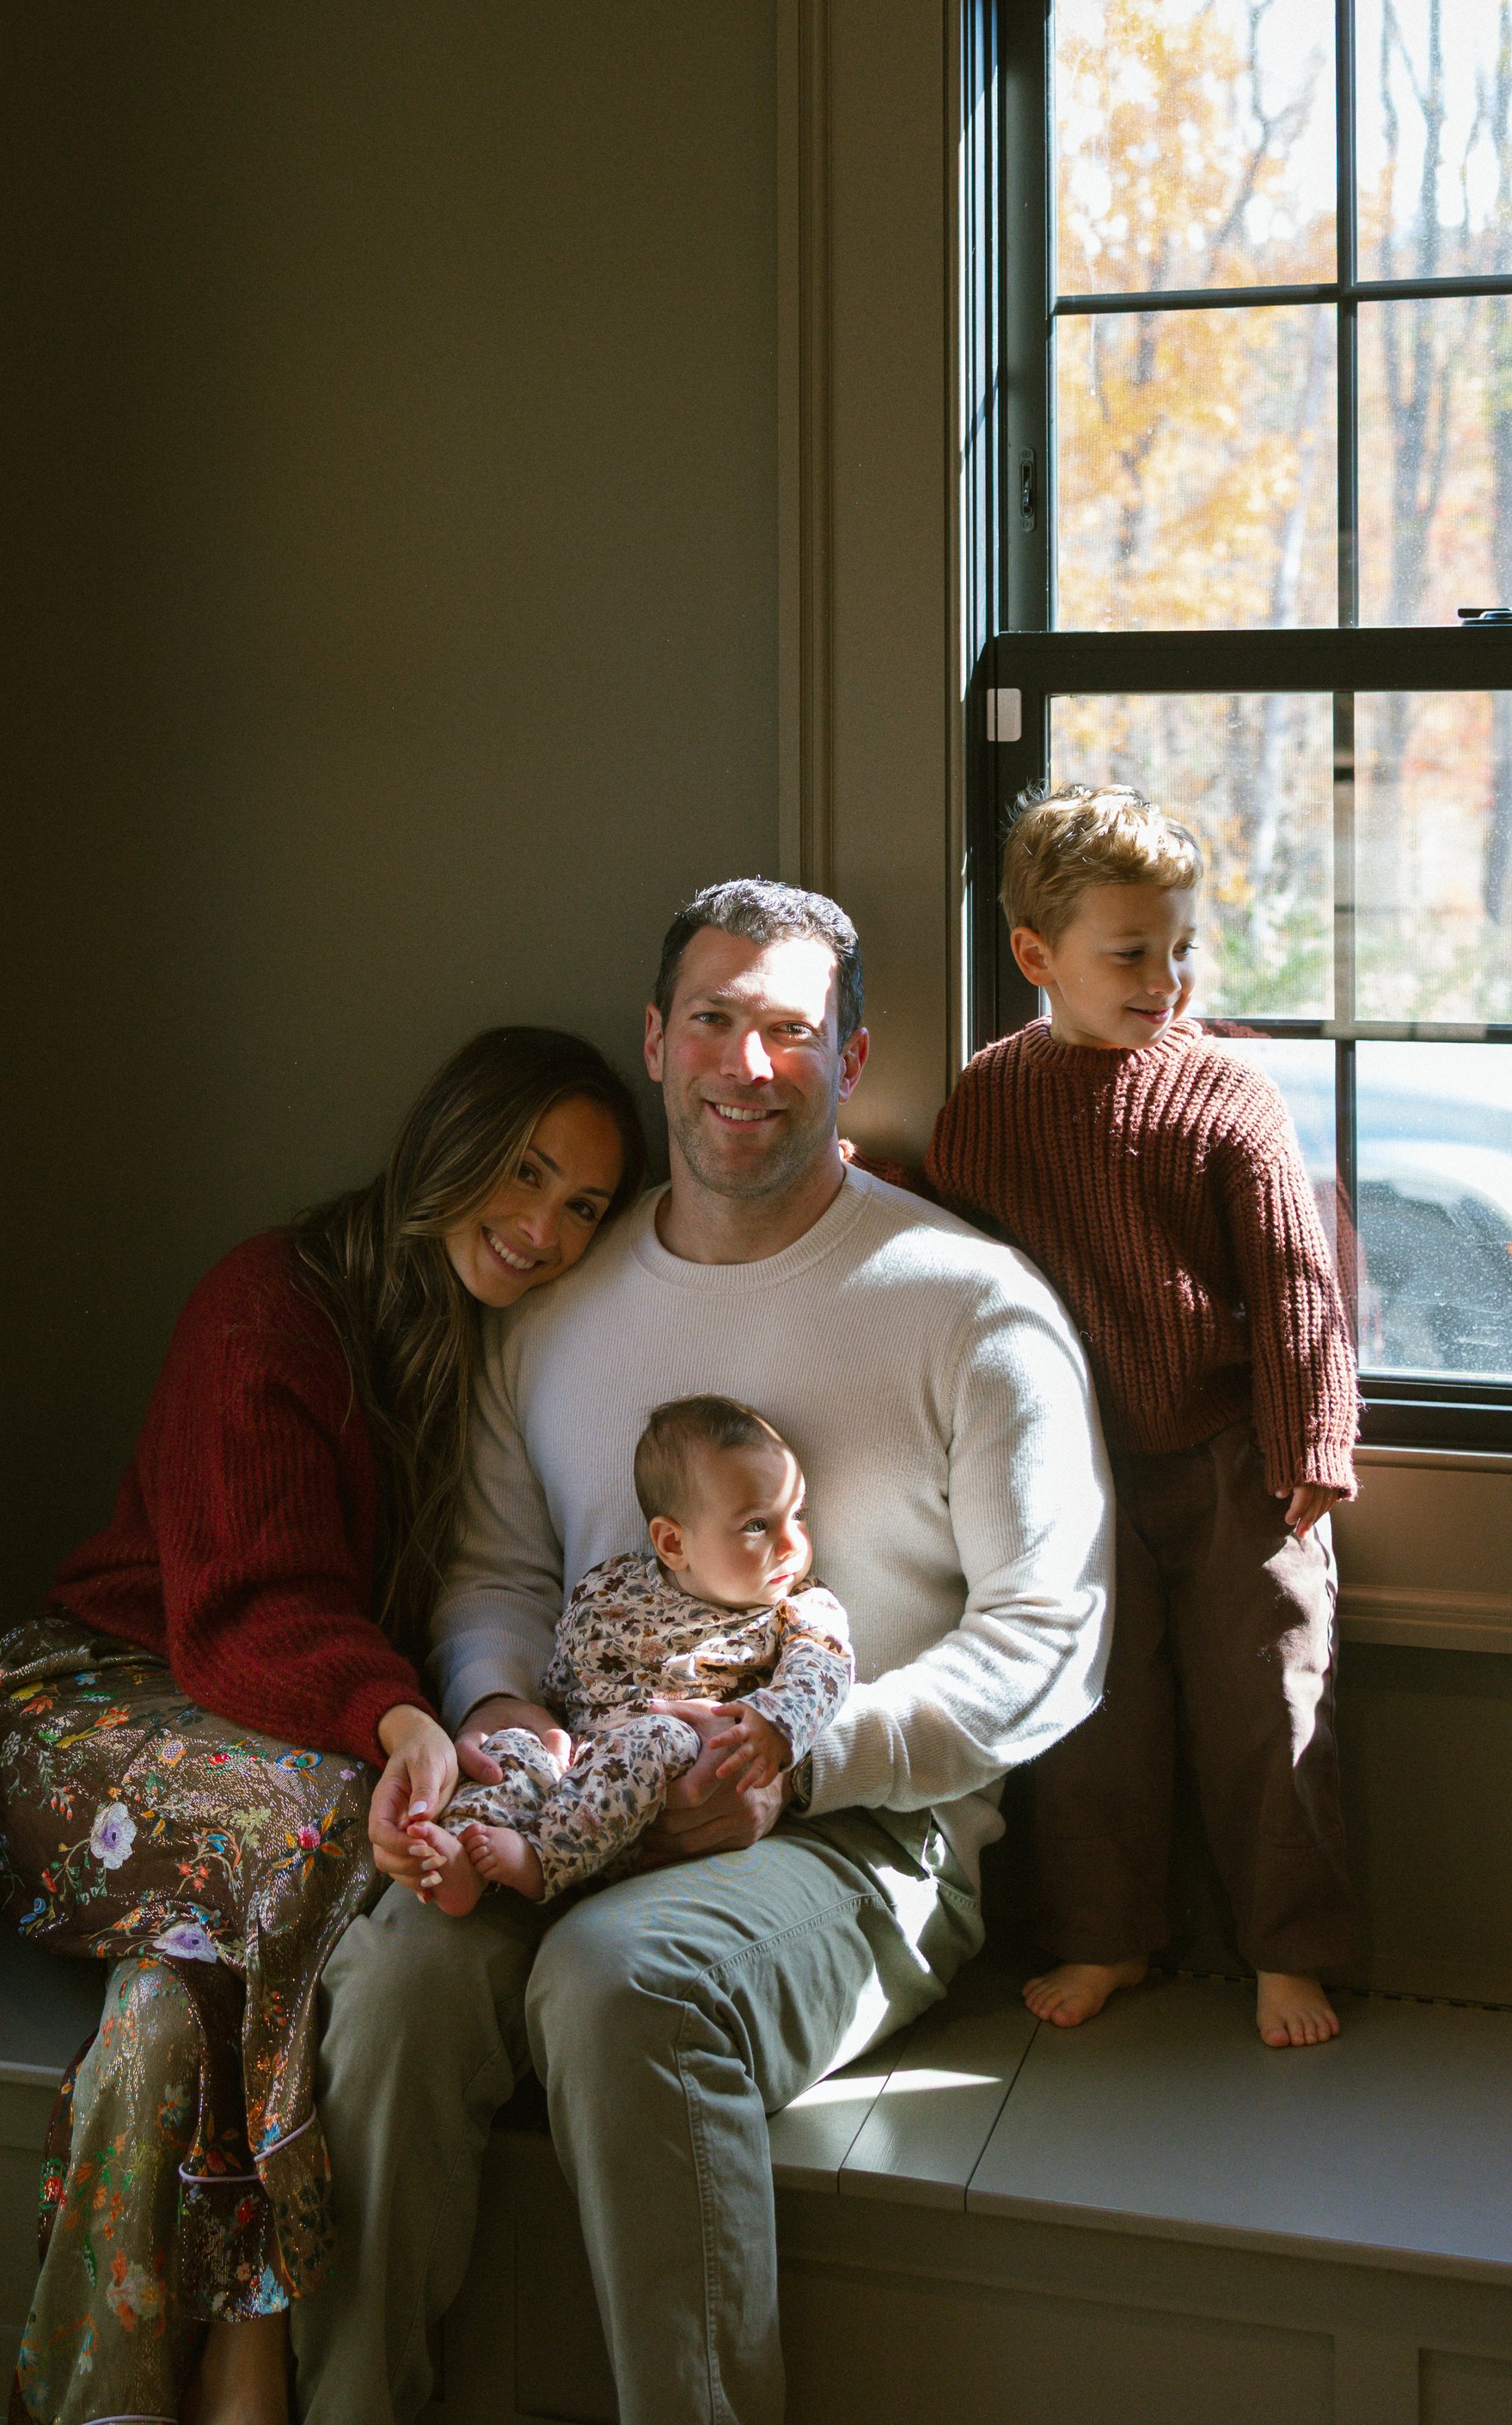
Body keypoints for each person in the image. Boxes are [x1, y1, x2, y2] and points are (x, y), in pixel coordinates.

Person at [291, 878, 1113, 2425]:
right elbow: (492, 1574)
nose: (747, 1061)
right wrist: (505, 1720)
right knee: (396, 1975)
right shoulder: (553, 1305)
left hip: (867, 1845)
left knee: (619, 1983)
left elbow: (1051, 1639)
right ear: (658, 1042)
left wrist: (801, 1761)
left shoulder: (967, 1307)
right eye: (717, 1020)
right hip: (568, 1793)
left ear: (849, 1060)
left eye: (790, 1030)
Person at [0, 1023, 648, 2425]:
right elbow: (247, 1609)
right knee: (341, 1821)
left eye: (582, 1206)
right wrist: (396, 1719)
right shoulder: (265, 1305)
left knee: (170, 2001)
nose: (540, 1230)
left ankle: (114, 2397)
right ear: (446, 1142)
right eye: (522, 1174)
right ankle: (256, 2333)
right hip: (87, 1710)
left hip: (271, 1769)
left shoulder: (499, 1349)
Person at [925, 784, 1359, 2052]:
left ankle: (1289, 1946)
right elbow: (952, 1260)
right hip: (1072, 1465)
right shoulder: (992, 1098)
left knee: (1271, 1693)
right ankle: (1106, 1931)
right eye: (1130, 953)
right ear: (1035, 956)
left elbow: (1294, 1277)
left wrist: (1311, 1441)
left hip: (1234, 1455)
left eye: (1179, 947)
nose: (1165, 977)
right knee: (1093, 1711)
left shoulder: (1226, 1092)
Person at [408, 1395, 854, 1910]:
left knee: (654, 1738)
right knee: (513, 1748)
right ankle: (461, 1849)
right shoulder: (614, 1586)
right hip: (581, 1754)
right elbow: (571, 1662)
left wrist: (777, 1724)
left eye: (798, 1515)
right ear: (672, 1544)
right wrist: (545, 1729)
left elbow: (822, 1670)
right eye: (758, 1525)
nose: (791, 1543)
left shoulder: (801, 1606)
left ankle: (544, 1860)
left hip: (674, 1780)